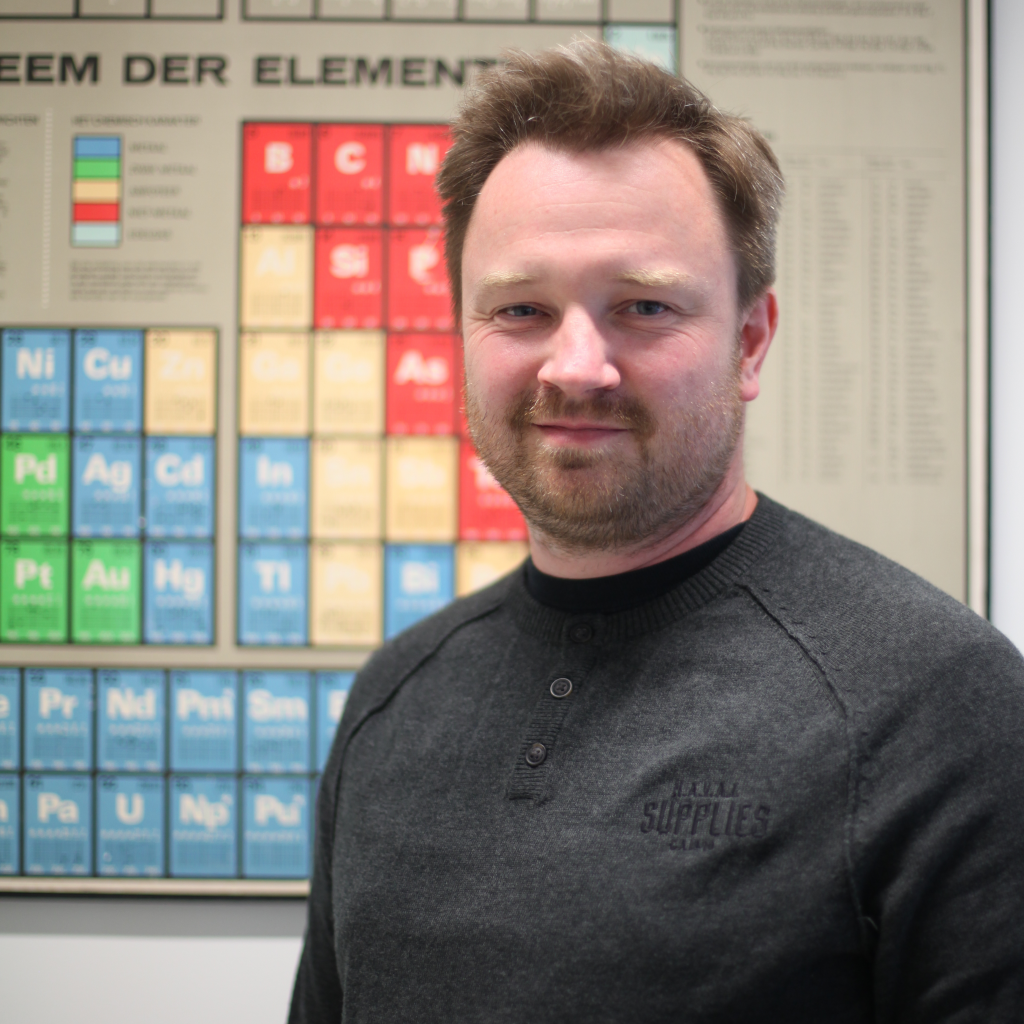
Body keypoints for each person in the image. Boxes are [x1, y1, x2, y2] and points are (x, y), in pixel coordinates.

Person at [289, 40, 1024, 1022]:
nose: (575, 365)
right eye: (521, 308)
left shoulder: (933, 701)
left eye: (642, 306)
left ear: (749, 340)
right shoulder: (396, 697)